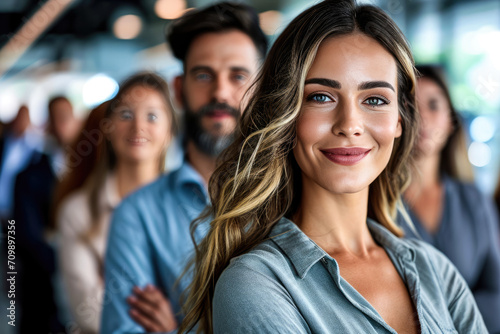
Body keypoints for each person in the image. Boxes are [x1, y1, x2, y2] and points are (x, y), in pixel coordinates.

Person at [179, 1, 487, 333]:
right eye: (321, 97)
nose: (349, 124)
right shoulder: (255, 284)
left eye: (375, 100)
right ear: (286, 113)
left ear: (399, 118)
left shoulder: (436, 271)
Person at [101, 2, 267, 333]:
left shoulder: (291, 199)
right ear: (179, 89)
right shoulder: (138, 215)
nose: (220, 91)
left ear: (260, 89)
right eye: (203, 75)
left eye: (237, 76)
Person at [56, 72, 177, 334]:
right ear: (108, 127)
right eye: (125, 114)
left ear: (170, 131)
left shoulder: (190, 205)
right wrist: (168, 324)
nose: (138, 127)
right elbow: (88, 311)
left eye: (152, 116)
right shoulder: (78, 211)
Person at [400, 64, 500, 333]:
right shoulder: (374, 202)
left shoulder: (474, 200)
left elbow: (497, 291)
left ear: (450, 121)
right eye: (410, 105)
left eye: (433, 105)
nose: (422, 117)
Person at [13, 96, 79, 334]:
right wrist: (71, 264)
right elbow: (28, 236)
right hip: (42, 289)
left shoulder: (87, 174)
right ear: (47, 124)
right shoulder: (28, 176)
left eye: (67, 117)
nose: (63, 125)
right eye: (56, 118)